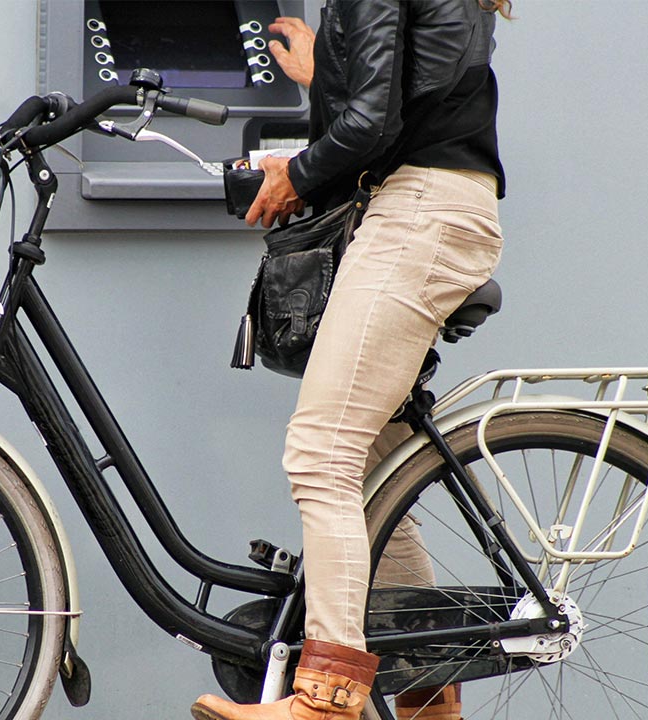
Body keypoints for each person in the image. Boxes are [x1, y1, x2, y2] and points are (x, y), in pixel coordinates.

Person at [191, 2, 512, 720]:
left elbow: (374, 125)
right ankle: (432, 704)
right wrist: (325, 74)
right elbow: (412, 97)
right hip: (435, 208)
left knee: (320, 453)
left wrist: (293, 174)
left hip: (418, 217)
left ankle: (326, 699)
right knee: (376, 480)